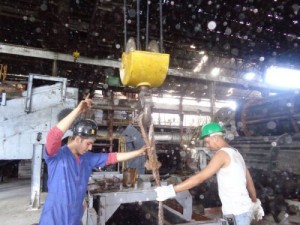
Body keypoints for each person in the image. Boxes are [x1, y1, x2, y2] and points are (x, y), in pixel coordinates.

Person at [39, 96, 146, 225]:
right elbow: (53, 135)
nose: (90, 148)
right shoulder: (56, 156)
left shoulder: (87, 158)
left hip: (74, 220)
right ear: (78, 139)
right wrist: (78, 110)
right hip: (54, 219)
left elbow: (113, 157)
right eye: (88, 143)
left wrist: (139, 152)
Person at [155, 122, 264, 225]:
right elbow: (249, 180)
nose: (207, 145)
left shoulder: (222, 154)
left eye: (207, 141)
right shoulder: (236, 153)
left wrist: (171, 190)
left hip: (236, 213)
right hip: (243, 210)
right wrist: (254, 202)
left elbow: (200, 178)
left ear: (215, 137)